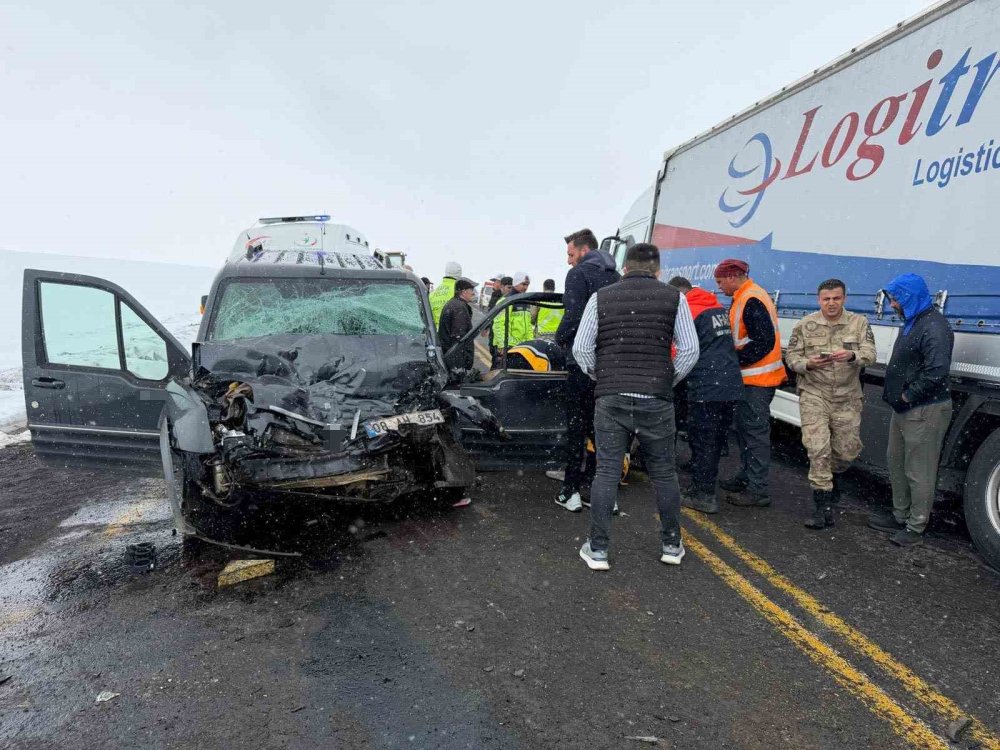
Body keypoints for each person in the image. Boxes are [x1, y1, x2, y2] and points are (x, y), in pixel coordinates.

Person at [573, 243, 699, 570]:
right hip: (656, 399)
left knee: (607, 472)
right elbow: (689, 351)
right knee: (664, 474)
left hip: (611, 398)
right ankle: (671, 545)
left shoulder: (601, 297)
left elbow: (581, 348)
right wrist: (663, 381)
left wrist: (602, 376)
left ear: (625, 268)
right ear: (658, 271)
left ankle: (598, 549)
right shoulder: (675, 298)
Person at [867, 273, 954, 547]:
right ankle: (899, 514)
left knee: (919, 470)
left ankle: (916, 526)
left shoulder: (934, 326)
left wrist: (907, 395)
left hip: (924, 409)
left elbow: (937, 370)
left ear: (910, 298)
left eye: (896, 300)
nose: (892, 305)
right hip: (905, 409)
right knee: (896, 463)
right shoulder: (913, 322)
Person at [785, 279, 876, 529]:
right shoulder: (805, 325)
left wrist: (852, 356)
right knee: (818, 448)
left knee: (847, 451)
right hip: (815, 393)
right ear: (819, 300)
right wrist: (808, 364)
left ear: (844, 299)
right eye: (826, 299)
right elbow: (792, 356)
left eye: (836, 298)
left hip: (847, 396)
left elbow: (870, 353)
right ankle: (821, 504)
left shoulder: (859, 323)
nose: (831, 303)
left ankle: (833, 478)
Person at [553, 228, 620, 512]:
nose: (569, 261)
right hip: (611, 366)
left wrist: (560, 339)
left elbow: (573, 317)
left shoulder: (579, 274)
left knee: (576, 428)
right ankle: (599, 490)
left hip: (583, 363)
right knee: (602, 430)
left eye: (570, 254)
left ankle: (570, 491)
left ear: (583, 250)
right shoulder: (616, 277)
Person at [714, 259, 787, 508]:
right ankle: (746, 477)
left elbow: (762, 340)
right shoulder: (746, 296)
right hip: (751, 379)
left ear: (733, 277)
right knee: (745, 432)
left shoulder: (751, 298)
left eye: (720, 281)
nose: (719, 287)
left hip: (757, 379)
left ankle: (758, 490)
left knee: (754, 434)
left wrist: (734, 359)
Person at [668, 277, 743, 515]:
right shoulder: (716, 307)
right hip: (729, 384)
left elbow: (680, 349)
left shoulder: (688, 311)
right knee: (717, 440)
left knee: (703, 440)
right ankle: (704, 484)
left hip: (706, 386)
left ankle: (703, 494)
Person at [491, 272, 533, 363]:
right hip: (507, 346)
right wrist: (502, 345)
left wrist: (530, 343)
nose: (526, 287)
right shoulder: (506, 300)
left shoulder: (525, 301)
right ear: (516, 283)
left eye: (527, 285)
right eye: (523, 284)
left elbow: (528, 326)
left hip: (521, 347)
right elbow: (498, 324)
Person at [437, 278, 478, 371]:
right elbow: (460, 339)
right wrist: (462, 364)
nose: (473, 293)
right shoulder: (459, 307)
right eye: (471, 290)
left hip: (450, 356)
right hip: (455, 360)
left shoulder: (455, 303)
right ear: (463, 291)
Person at [429, 262, 462, 327]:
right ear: (459, 273)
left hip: (434, 334)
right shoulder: (460, 292)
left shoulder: (432, 294)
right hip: (452, 334)